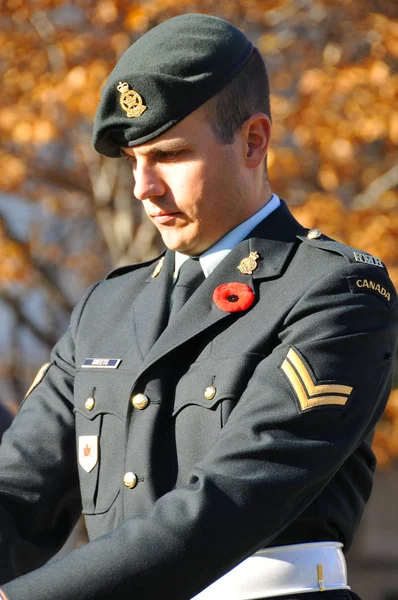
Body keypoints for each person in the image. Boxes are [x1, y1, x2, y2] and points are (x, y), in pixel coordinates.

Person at [0, 13, 397, 600]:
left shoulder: (336, 292)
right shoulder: (105, 308)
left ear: (253, 141)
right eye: (134, 160)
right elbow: (20, 491)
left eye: (170, 154)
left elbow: (229, 502)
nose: (143, 187)